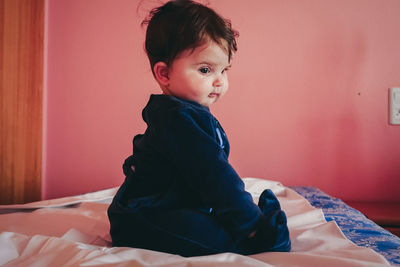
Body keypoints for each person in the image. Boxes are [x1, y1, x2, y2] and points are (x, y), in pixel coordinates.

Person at [107, 0, 291, 257]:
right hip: (145, 217)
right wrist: (252, 225)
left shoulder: (187, 114)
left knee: (213, 217)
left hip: (170, 206)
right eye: (206, 69)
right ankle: (266, 234)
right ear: (164, 74)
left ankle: (256, 219)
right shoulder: (176, 119)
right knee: (217, 238)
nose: (219, 81)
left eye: (224, 70)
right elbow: (215, 176)